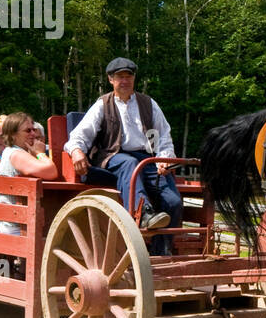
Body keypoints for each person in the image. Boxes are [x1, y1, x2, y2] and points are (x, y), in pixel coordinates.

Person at [65, 57, 182, 254]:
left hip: (147, 159)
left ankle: (160, 252)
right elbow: (78, 136)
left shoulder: (148, 104)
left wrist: (164, 159)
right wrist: (76, 151)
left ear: (134, 78)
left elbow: (163, 138)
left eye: (129, 76)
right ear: (110, 79)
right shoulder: (103, 104)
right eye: (120, 77)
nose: (125, 81)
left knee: (174, 201)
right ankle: (142, 213)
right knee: (128, 163)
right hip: (113, 156)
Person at [0, 112, 58, 236]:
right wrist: (40, 153)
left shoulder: (12, 152)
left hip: (14, 221)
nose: (33, 134)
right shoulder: (16, 154)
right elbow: (51, 172)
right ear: (13, 135)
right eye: (28, 131)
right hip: (17, 225)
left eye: (34, 130)